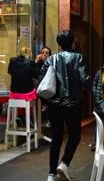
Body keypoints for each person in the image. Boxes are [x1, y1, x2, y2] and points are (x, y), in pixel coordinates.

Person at [39, 30, 90, 181]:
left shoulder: (51, 59)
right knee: (75, 135)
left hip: (54, 104)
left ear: (59, 43)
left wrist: (45, 102)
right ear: (73, 41)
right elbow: (85, 79)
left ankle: (51, 173)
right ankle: (65, 163)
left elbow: (42, 80)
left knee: (56, 138)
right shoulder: (78, 57)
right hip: (72, 104)